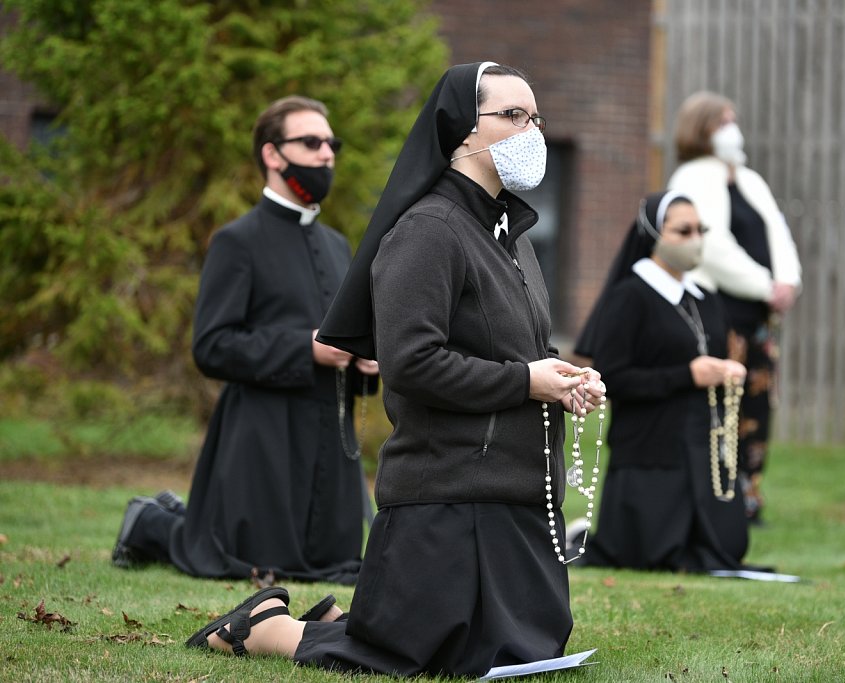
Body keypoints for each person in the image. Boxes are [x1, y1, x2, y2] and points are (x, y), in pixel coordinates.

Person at [181, 62, 606, 678]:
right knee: (412, 657)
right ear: (464, 131)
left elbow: (516, 351)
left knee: (526, 653)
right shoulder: (428, 230)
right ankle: (271, 629)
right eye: (514, 116)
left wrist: (561, 378)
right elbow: (411, 364)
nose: (531, 130)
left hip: (519, 498)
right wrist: (526, 381)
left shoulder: (512, 238)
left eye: (535, 117)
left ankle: (340, 619)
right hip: (448, 497)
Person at [111, 95, 379, 585]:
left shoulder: (338, 245)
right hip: (262, 436)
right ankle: (149, 522)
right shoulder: (238, 240)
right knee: (237, 559)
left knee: (333, 566)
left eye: (331, 143)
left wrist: (362, 361)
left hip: (327, 433)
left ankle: (171, 517)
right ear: (273, 155)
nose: (327, 154)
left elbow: (341, 339)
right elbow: (211, 345)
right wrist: (306, 348)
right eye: (312, 142)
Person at [572, 191, 749, 572]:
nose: (695, 239)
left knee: (725, 550)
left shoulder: (705, 298)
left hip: (701, 445)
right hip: (650, 450)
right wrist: (687, 375)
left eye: (700, 230)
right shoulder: (630, 297)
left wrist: (727, 372)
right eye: (683, 231)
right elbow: (612, 379)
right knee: (653, 555)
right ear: (654, 233)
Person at [666, 92, 802, 524]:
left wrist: (786, 282)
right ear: (702, 128)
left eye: (733, 119)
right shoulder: (693, 178)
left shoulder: (749, 180)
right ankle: (718, 494)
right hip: (721, 313)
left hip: (759, 319)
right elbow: (711, 247)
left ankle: (749, 496)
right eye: (723, 120)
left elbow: (777, 232)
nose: (732, 127)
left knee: (757, 408)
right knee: (721, 404)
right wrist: (764, 284)